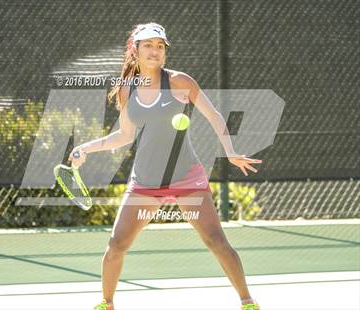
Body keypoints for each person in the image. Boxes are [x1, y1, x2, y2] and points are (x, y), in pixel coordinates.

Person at [69, 22, 262, 310]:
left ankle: (247, 302)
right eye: (148, 45)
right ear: (135, 50)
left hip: (186, 179)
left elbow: (214, 115)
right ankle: (106, 304)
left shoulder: (181, 82)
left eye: (160, 46)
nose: (155, 51)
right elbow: (124, 135)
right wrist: (86, 148)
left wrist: (230, 150)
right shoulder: (126, 89)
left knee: (216, 241)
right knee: (116, 246)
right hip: (146, 182)